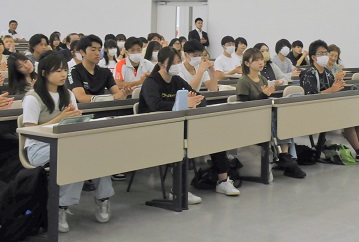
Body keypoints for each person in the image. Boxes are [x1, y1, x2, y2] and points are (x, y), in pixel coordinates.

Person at [22, 51, 114, 233]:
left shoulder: (68, 94)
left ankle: (103, 198)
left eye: (65, 70)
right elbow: (29, 132)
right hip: (38, 148)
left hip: (66, 143)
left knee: (98, 151)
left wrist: (76, 119)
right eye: (57, 71)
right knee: (75, 157)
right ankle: (60, 207)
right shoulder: (33, 98)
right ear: (44, 73)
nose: (63, 74)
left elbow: (73, 124)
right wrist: (60, 118)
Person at [139, 47, 239, 199]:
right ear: (160, 64)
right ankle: (178, 191)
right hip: (156, 128)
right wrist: (184, 102)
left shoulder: (177, 81)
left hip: (179, 126)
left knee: (215, 135)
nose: (177, 65)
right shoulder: (151, 83)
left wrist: (195, 101)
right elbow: (155, 105)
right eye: (173, 63)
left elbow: (201, 98)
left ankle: (223, 181)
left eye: (178, 62)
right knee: (181, 144)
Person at [301, 40, 359, 162]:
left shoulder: (327, 73)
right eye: (321, 53)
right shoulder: (308, 73)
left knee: (355, 116)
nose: (325, 56)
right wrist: (332, 89)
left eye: (326, 53)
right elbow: (311, 97)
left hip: (330, 106)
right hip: (316, 110)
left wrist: (338, 85)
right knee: (347, 117)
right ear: (313, 57)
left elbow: (333, 91)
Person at [236, 48, 306, 178]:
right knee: (276, 118)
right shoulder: (243, 81)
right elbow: (244, 106)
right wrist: (263, 95)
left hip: (264, 115)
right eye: (256, 60)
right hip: (251, 118)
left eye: (261, 59)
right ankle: (284, 156)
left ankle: (284, 154)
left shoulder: (262, 79)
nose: (261, 62)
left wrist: (266, 96)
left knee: (282, 116)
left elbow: (265, 100)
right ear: (247, 63)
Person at [67, 34, 132, 103]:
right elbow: (82, 98)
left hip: (103, 109)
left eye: (99, 50)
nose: (97, 53)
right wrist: (112, 97)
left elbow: (117, 94)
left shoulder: (105, 72)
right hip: (83, 111)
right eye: (93, 50)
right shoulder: (74, 71)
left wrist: (124, 94)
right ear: (82, 52)